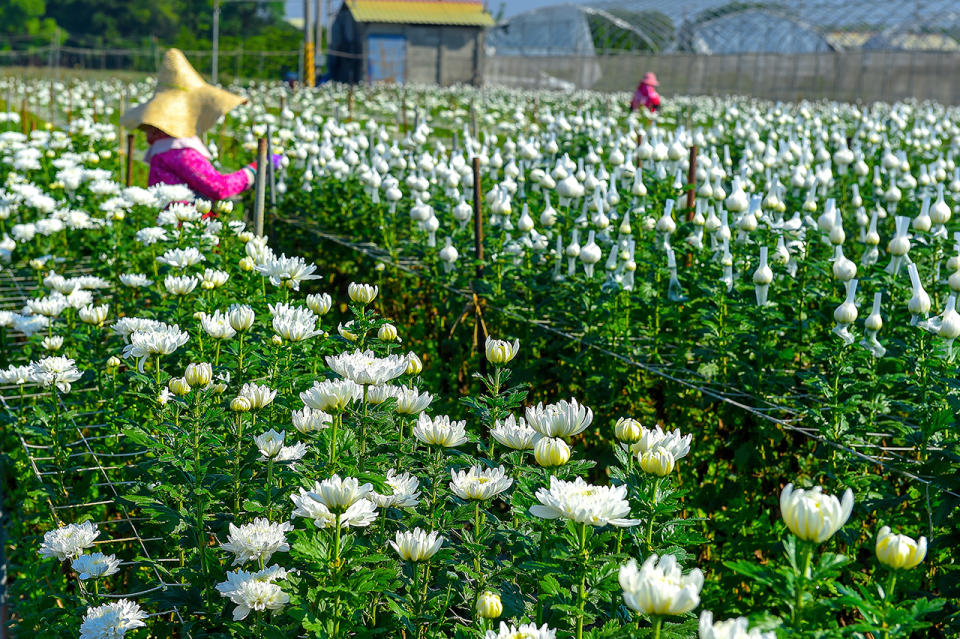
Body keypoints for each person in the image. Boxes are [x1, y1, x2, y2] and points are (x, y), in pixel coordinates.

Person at [121, 48, 278, 203]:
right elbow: (219, 188)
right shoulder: (179, 153)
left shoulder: (163, 150)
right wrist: (254, 169)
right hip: (185, 225)